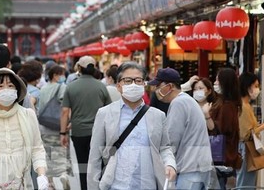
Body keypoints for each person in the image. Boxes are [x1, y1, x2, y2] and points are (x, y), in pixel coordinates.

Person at [87, 62, 177, 190]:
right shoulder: (105, 114)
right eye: (128, 81)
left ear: (144, 85)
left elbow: (165, 147)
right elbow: (95, 156)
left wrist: (170, 164)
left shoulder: (157, 116)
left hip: (147, 185)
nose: (133, 84)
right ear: (118, 86)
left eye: (138, 80)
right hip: (115, 185)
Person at [150, 68, 213, 189]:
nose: (156, 89)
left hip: (190, 168)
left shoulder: (178, 103)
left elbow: (171, 139)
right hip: (199, 165)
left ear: (170, 86)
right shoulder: (187, 100)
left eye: (158, 85)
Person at [60, 56, 111, 190]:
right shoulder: (101, 86)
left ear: (78, 68)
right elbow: (110, 111)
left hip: (78, 132)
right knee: (97, 165)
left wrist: (62, 132)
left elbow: (65, 112)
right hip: (98, 133)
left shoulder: (71, 87)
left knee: (83, 166)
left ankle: (84, 187)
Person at [236, 72, 264, 188]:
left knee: (248, 182)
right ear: (247, 87)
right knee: (246, 183)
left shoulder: (246, 105)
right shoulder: (243, 106)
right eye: (256, 86)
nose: (258, 89)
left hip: (248, 150)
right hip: (246, 150)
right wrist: (263, 127)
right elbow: (245, 134)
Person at [37, 65, 71, 189]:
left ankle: (50, 183)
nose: (63, 77)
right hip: (58, 127)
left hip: (44, 127)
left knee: (47, 156)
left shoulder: (43, 89)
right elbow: (65, 109)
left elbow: (40, 108)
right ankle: (61, 178)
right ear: (55, 75)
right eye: (61, 74)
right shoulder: (63, 88)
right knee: (61, 156)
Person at [208, 67, 242, 190]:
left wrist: (207, 117)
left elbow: (219, 130)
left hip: (221, 156)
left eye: (218, 80)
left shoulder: (226, 107)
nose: (215, 83)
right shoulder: (226, 103)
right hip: (224, 156)